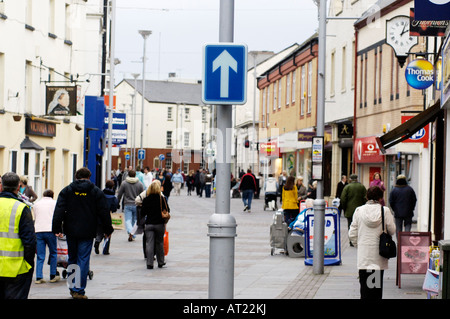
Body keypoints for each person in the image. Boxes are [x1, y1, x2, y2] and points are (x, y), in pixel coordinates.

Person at [52, 167, 114, 299]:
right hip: (87, 230)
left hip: (71, 230)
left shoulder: (67, 190)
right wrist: (108, 229)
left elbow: (59, 210)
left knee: (72, 258)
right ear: (89, 177)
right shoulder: (95, 192)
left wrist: (56, 228)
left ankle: (72, 286)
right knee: (83, 259)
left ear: (76, 176)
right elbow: (104, 211)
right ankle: (79, 290)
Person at [348, 186, 396, 299]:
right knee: (375, 289)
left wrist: (359, 245)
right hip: (378, 255)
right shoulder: (385, 211)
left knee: (365, 288)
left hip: (365, 255)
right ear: (380, 198)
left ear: (367, 196)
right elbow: (392, 230)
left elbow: (352, 234)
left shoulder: (359, 211)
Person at [0, 172, 36, 299]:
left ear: (1, 186)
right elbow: (30, 241)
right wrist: (29, 263)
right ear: (19, 187)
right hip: (16, 268)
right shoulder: (21, 208)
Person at [33, 189, 59, 284]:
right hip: (50, 230)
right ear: (52, 195)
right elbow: (57, 217)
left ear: (43, 195)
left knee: (40, 255)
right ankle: (52, 275)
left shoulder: (37, 204)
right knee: (53, 253)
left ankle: (39, 277)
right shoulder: (55, 203)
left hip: (39, 230)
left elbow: (35, 217)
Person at [141, 180, 169, 269]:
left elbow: (142, 213)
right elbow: (167, 210)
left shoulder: (146, 199)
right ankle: (161, 262)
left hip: (149, 224)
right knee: (159, 243)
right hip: (159, 224)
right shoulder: (162, 199)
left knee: (149, 243)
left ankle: (149, 263)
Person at [117, 169, 144, 242]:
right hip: (137, 204)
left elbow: (120, 194)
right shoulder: (140, 183)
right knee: (135, 220)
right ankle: (133, 233)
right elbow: (143, 195)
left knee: (128, 220)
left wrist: (117, 202)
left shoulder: (124, 183)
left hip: (127, 204)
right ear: (135, 175)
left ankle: (130, 232)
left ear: (128, 175)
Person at [94, 180, 118, 255]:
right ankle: (105, 250)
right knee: (108, 232)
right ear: (112, 186)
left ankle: (97, 241)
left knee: (99, 231)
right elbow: (114, 207)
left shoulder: (100, 195)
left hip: (99, 216)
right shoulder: (113, 197)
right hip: (107, 216)